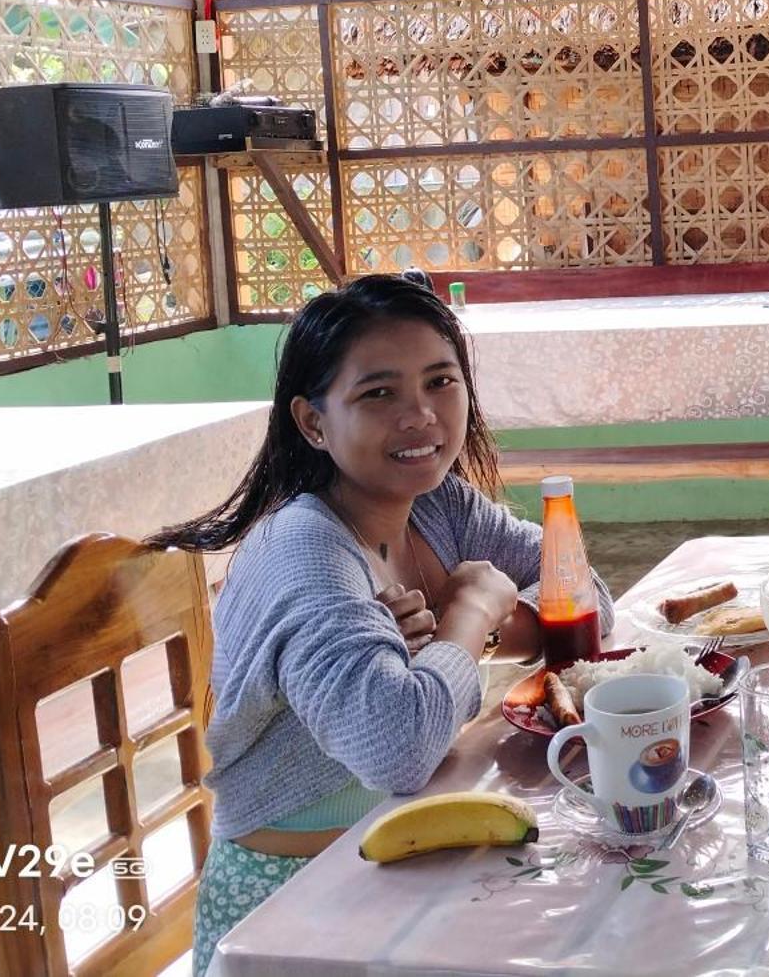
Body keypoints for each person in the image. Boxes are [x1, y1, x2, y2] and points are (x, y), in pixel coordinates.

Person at [148, 274, 611, 977]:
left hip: (417, 851)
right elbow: (397, 745)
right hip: (299, 903)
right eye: (379, 393)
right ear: (313, 422)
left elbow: (588, 601)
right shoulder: (306, 552)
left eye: (440, 382)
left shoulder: (438, 505)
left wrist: (474, 636)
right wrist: (470, 609)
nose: (421, 415)